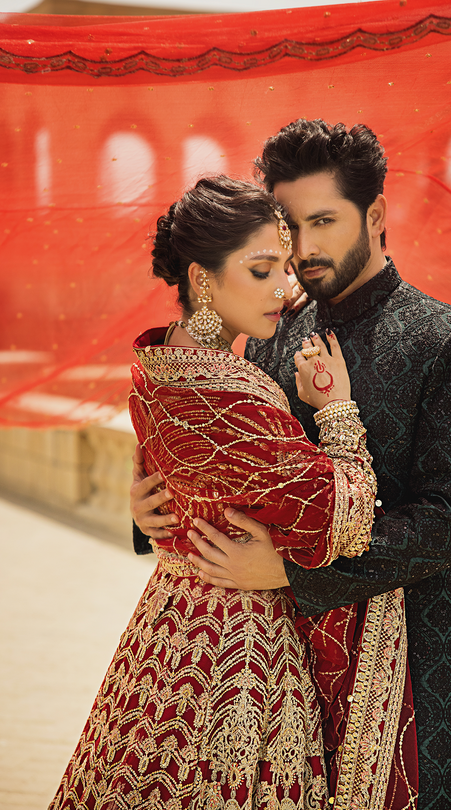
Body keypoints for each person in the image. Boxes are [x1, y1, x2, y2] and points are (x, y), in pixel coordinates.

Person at [132, 121, 451, 809]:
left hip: (404, 673)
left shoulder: (450, 341)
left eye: (323, 221)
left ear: (375, 215)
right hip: (269, 679)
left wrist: (295, 572)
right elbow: (227, 452)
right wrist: (150, 509)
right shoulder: (272, 324)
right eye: (289, 226)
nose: (304, 248)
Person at [51, 176, 418, 810]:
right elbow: (341, 516)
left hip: (168, 631)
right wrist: (336, 411)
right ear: (202, 279)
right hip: (241, 656)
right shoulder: (228, 396)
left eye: (285, 267)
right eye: (261, 270)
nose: (284, 288)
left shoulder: (160, 365)